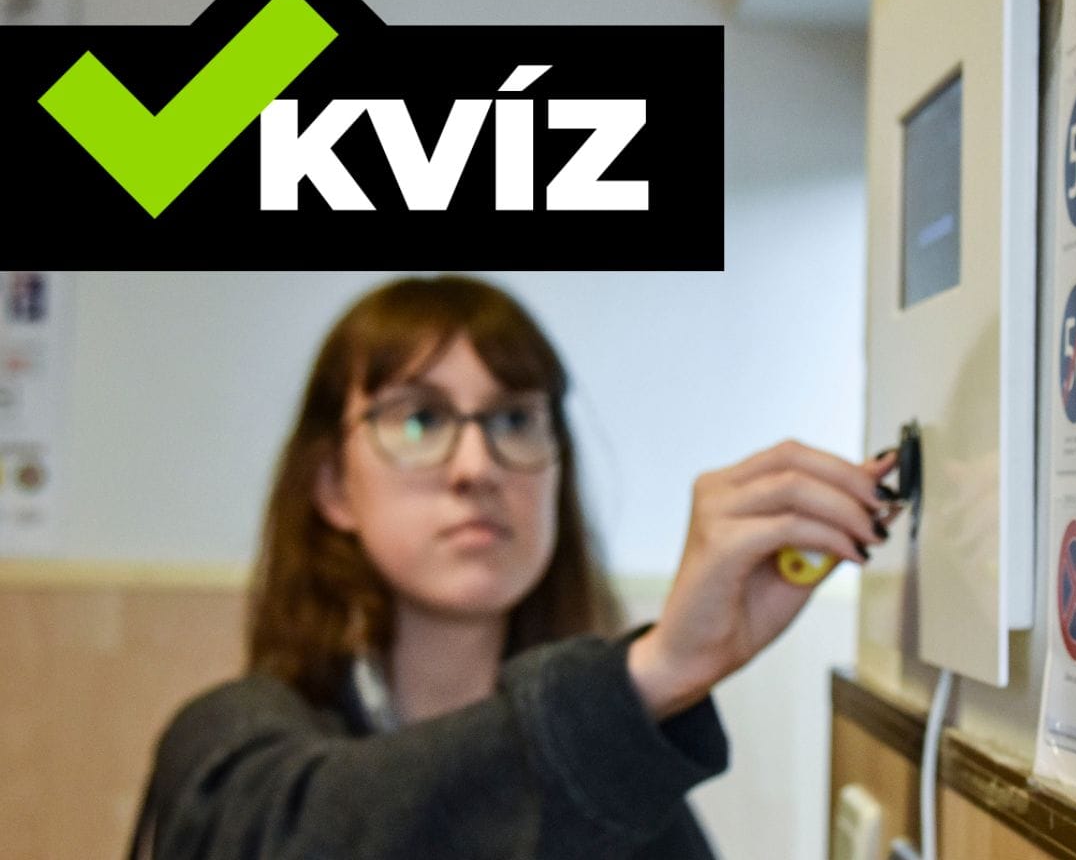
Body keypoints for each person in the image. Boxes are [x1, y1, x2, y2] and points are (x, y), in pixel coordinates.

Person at [129, 276, 899, 859]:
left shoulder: (615, 787)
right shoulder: (232, 749)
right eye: (419, 418)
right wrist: (653, 672)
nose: (477, 466)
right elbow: (303, 837)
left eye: (513, 419)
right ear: (333, 486)